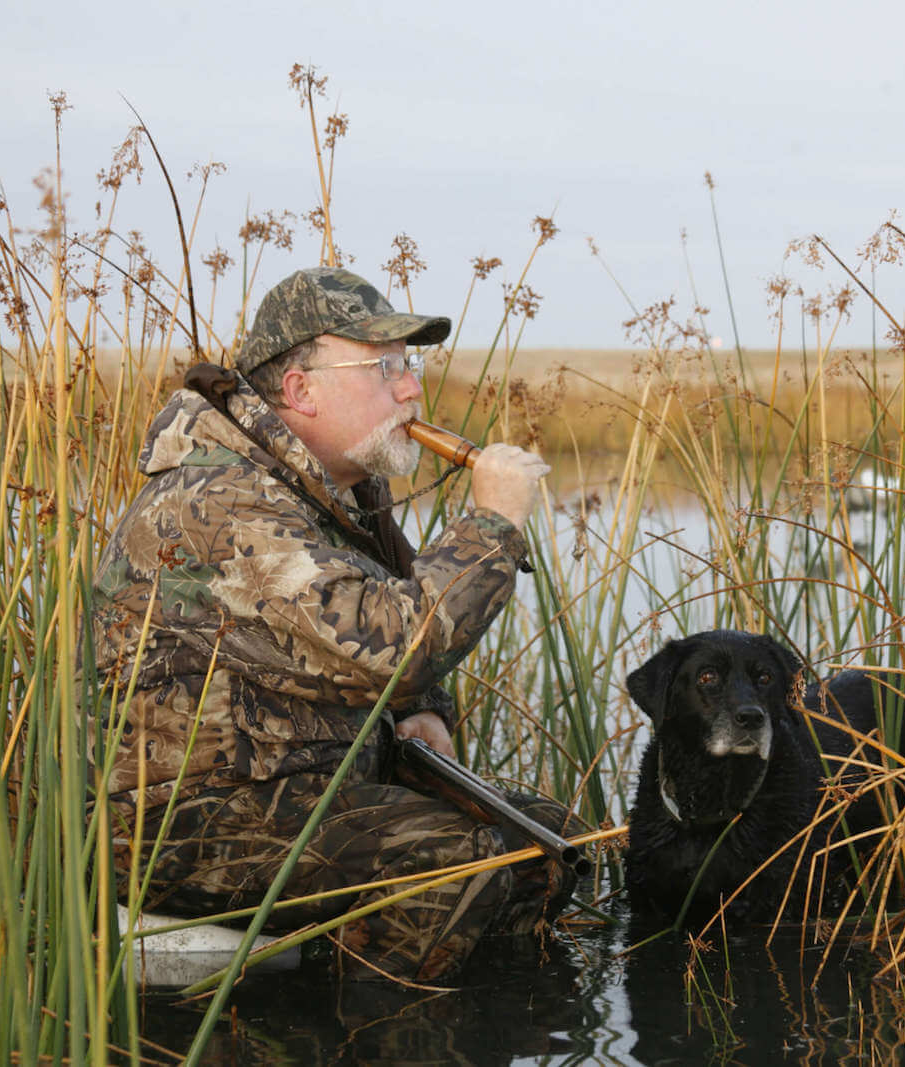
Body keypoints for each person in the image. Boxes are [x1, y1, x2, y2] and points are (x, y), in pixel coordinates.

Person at [89, 266, 576, 982]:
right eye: (385, 367)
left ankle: (486, 1023)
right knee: (461, 868)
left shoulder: (339, 488)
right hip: (179, 822)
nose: (411, 387)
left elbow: (391, 624)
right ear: (299, 391)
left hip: (300, 786)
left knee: (547, 844)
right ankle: (372, 1032)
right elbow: (391, 647)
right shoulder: (220, 502)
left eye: (410, 365)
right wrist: (494, 523)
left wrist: (424, 710)